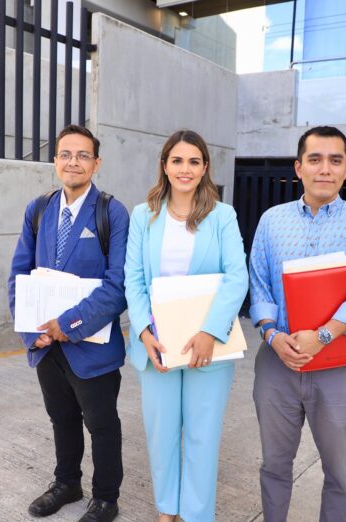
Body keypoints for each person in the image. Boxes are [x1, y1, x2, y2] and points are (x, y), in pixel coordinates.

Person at [249, 126, 346, 522]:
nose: (324, 169)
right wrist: (271, 334)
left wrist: (324, 335)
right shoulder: (272, 221)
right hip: (278, 364)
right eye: (314, 159)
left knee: (342, 474)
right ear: (298, 167)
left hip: (340, 368)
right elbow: (259, 283)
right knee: (274, 467)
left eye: (335, 160)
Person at [124, 129, 248, 522]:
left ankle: (196, 515)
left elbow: (236, 276)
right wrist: (144, 331)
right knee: (162, 435)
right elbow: (134, 278)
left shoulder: (222, 215)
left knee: (202, 436)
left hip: (206, 343)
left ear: (205, 167)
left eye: (194, 161)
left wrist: (211, 332)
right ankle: (167, 509)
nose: (185, 168)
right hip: (158, 343)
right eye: (177, 160)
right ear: (164, 165)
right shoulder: (143, 214)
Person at [8, 125, 129, 522]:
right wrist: (32, 331)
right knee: (61, 418)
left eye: (82, 155)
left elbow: (118, 286)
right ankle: (67, 483)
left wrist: (68, 323)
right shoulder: (38, 209)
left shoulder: (111, 212)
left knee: (102, 424)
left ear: (97, 162)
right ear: (55, 160)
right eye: (65, 154)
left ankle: (106, 497)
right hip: (47, 345)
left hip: (91, 345)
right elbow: (19, 275)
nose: (73, 162)